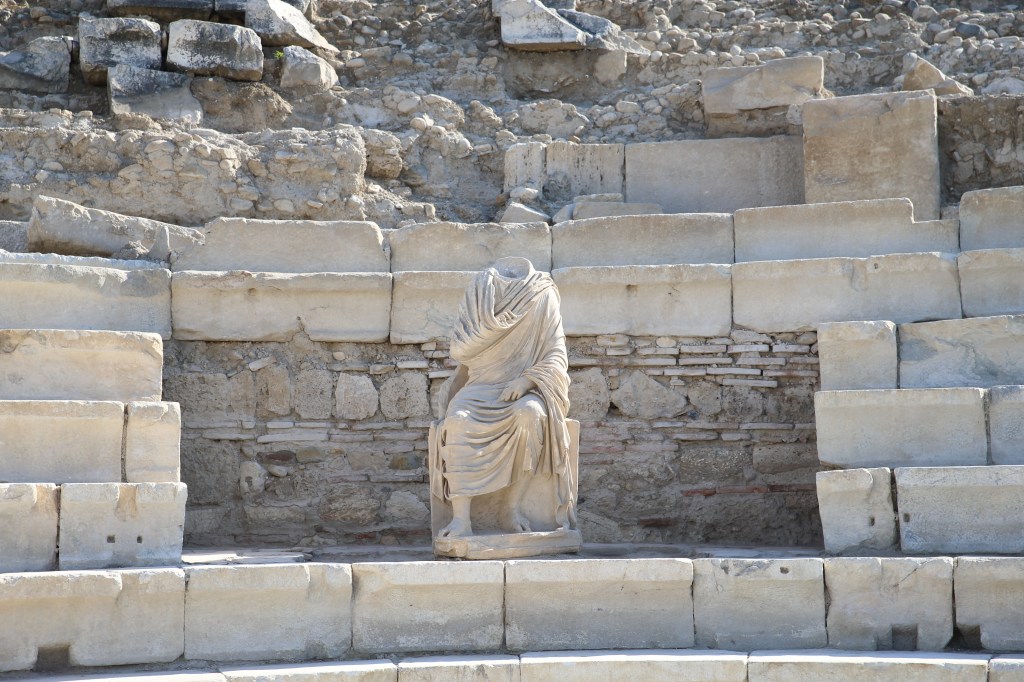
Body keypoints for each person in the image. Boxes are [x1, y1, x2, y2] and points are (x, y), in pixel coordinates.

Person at [430, 257, 574, 537]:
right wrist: (486, 333)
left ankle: (513, 508)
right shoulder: (481, 287)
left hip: (525, 389)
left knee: (531, 415)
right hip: (480, 387)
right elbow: (459, 349)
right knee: (457, 421)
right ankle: (461, 520)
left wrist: (526, 381)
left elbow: (557, 354)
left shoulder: (542, 292)